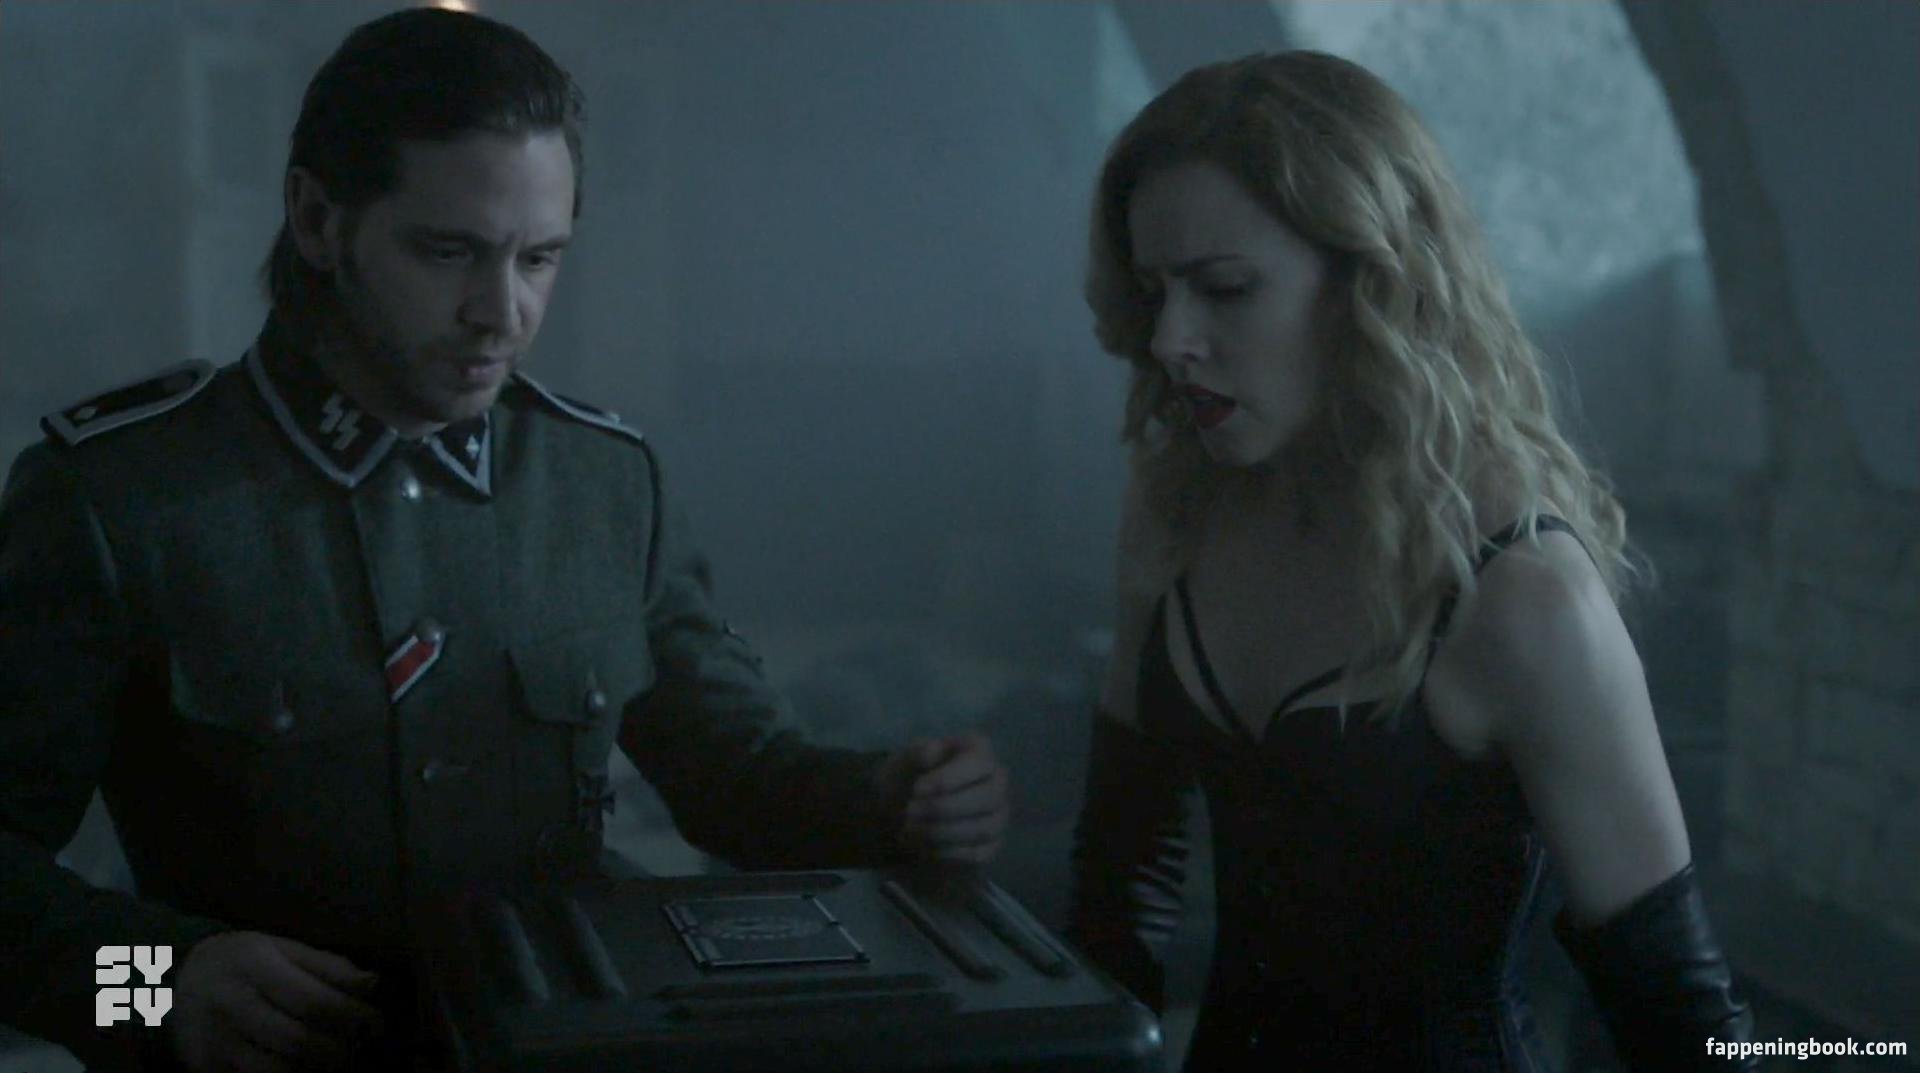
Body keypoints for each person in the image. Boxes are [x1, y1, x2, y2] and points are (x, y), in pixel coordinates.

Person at [0, 10, 1008, 1072]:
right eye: (449, 253)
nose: (502, 312)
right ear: (317, 219)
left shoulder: (602, 482)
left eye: (539, 258)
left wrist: (894, 804)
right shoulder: (121, 497)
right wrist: (157, 985)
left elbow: (735, 775)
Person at [1065, 51, 1756, 1071]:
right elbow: (1120, 882)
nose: (1170, 338)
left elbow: (1689, 1026)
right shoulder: (1176, 509)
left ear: (1371, 283)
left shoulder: (1523, 599)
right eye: (1155, 289)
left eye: (1223, 288)